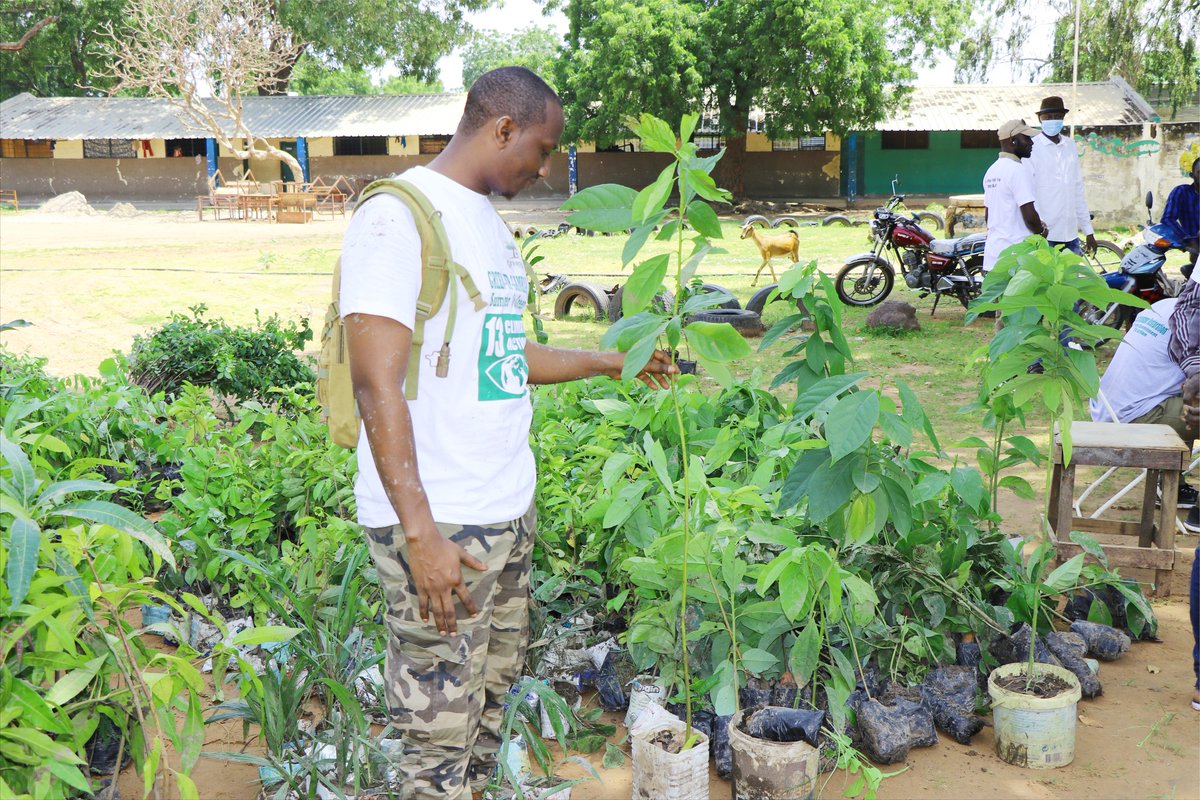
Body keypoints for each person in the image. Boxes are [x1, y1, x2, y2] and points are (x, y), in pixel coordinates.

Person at [338, 67, 676, 800]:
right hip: (444, 523)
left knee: (488, 710)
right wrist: (422, 535)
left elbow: (500, 356)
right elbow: (375, 382)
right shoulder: (397, 216)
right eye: (543, 148)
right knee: (436, 738)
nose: (545, 166)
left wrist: (605, 361)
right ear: (502, 129)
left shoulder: (486, 224)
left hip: (502, 514)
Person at [1089, 297, 1197, 529]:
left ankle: (1173, 486)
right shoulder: (1193, 323)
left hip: (1109, 407)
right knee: (1193, 406)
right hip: (1135, 417)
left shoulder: (1164, 305)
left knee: (1186, 400)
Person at [1026, 96, 1097, 256]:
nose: (1053, 120)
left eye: (1057, 116)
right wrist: (1037, 228)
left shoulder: (1070, 145)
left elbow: (1077, 188)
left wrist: (1088, 231)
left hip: (1070, 234)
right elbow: (1028, 192)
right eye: (1048, 117)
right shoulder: (1032, 148)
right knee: (1047, 280)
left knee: (1071, 280)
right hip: (1044, 235)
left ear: (1063, 118)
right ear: (1040, 118)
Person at [982, 119, 1047, 274]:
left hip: (994, 256)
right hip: (1017, 258)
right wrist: (1042, 232)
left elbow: (988, 216)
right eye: (1027, 138)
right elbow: (1030, 217)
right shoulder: (1018, 170)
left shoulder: (991, 170)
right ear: (1013, 141)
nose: (1031, 143)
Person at [1161, 156, 1199, 277]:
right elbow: (1167, 218)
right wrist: (1188, 240)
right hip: (1195, 244)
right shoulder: (1181, 192)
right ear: (1192, 175)